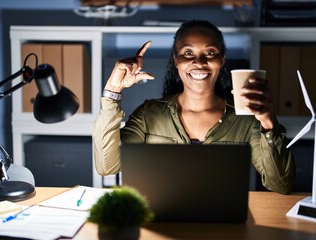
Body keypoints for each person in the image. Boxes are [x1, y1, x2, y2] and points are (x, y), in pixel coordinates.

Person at [92, 20, 295, 195]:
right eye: (188, 52)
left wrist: (268, 121)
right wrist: (112, 91)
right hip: (163, 224)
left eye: (210, 52)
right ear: (176, 61)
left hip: (221, 225)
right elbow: (107, 166)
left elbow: (281, 185)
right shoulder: (149, 114)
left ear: (222, 60)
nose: (199, 62)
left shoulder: (246, 119)